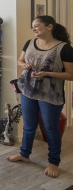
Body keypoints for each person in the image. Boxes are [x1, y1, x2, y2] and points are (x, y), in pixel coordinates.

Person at [6, 15, 73, 178]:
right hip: (28, 91)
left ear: (49, 27)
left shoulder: (64, 48)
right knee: (28, 125)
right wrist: (25, 65)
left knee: (51, 129)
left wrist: (47, 74)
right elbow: (20, 61)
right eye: (32, 26)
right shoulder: (29, 43)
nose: (33, 29)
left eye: (36, 25)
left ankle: (53, 163)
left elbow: (71, 75)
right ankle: (24, 154)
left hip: (51, 95)